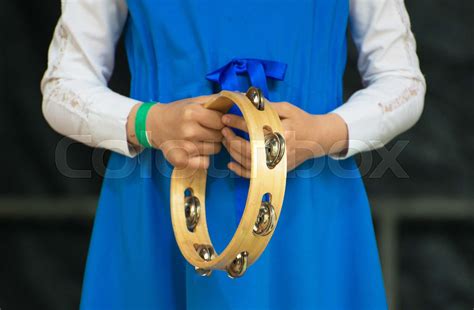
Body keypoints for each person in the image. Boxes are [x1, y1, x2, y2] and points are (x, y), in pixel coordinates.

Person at [41, 0, 425, 309]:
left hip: (309, 207)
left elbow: (402, 80)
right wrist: (151, 122)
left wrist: (325, 133)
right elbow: (62, 85)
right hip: (160, 207)